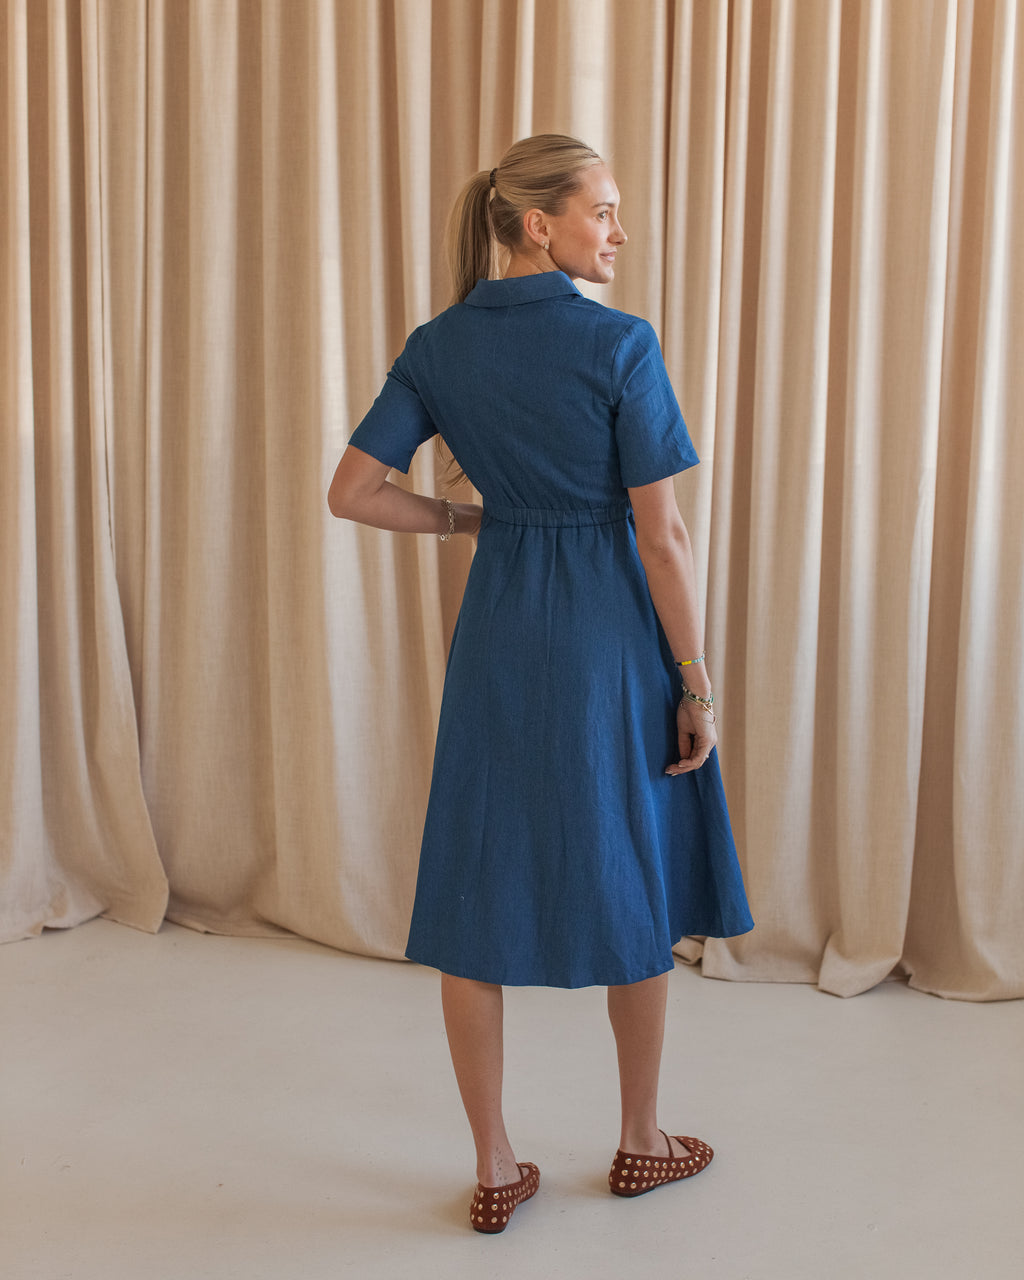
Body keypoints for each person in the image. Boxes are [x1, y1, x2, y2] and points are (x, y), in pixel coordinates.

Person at [328, 134, 753, 1234]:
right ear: (537, 224)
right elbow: (662, 537)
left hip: (501, 633)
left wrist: (469, 518)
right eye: (602, 210)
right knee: (635, 868)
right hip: (611, 635)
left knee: (476, 881)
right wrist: (696, 681)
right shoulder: (618, 343)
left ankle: (493, 1164)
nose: (618, 231)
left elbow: (353, 491)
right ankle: (641, 1140)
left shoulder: (438, 346)